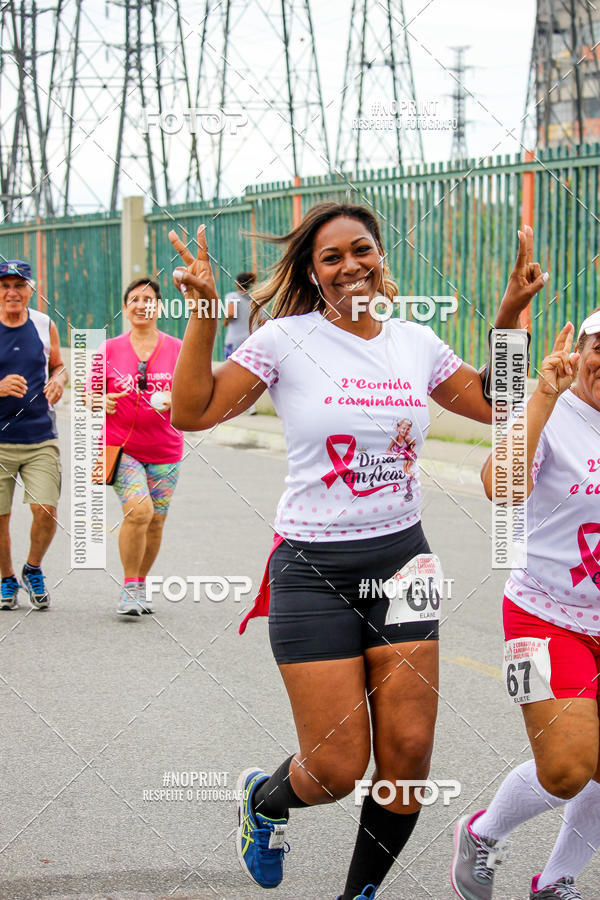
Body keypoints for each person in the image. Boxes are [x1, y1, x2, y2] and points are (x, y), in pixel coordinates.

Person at [168, 204, 547, 900]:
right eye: (332, 257)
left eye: (361, 249)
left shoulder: (415, 342)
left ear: (380, 256)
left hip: (405, 564)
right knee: (335, 769)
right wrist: (201, 316)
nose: (351, 266)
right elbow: (192, 412)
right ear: (313, 272)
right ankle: (265, 801)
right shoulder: (285, 341)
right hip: (314, 569)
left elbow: (500, 401)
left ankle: (359, 895)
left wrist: (510, 311)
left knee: (407, 758)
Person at [452, 310, 600, 900]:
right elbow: (501, 487)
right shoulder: (553, 411)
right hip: (543, 616)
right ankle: (483, 834)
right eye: (599, 347)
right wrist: (541, 397)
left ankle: (557, 880)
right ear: (581, 351)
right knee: (567, 769)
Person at [88, 278, 183, 616]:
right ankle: (129, 587)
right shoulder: (108, 349)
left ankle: (140, 584)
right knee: (139, 511)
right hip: (120, 447)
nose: (142, 305)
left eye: (149, 299)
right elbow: (89, 395)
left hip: (166, 450)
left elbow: (195, 392)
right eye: (135, 299)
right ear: (125, 308)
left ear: (159, 306)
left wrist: (174, 398)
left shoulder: (178, 348)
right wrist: (101, 400)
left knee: (156, 521)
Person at [0, 259, 67, 610]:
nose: (12, 292)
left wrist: (58, 380)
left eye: (19, 285)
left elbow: (58, 364)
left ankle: (33, 568)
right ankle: (7, 579)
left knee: (46, 510)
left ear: (30, 289)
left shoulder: (44, 324)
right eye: (5, 286)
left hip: (40, 436)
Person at [223, 271, 256, 359]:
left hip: (234, 343)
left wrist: (225, 322)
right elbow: (262, 321)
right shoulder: (255, 300)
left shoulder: (232, 296)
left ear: (237, 284)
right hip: (250, 343)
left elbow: (230, 313)